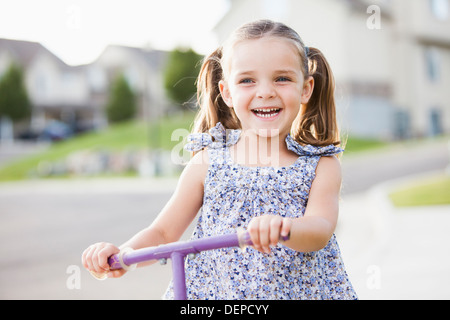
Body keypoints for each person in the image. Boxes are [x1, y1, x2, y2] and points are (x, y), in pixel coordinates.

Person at [82, 19, 357, 300]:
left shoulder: (320, 165)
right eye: (247, 80)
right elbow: (163, 233)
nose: (265, 92)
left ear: (306, 89)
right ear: (226, 92)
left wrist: (285, 227)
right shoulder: (208, 161)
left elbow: (320, 229)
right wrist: (124, 254)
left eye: (282, 78)